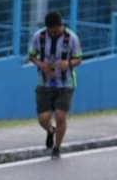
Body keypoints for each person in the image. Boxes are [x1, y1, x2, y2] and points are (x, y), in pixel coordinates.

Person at [27, 11, 83, 159]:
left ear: (61, 25)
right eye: (51, 31)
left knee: (60, 115)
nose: (54, 33)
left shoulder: (72, 38)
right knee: (43, 118)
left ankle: (56, 148)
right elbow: (31, 56)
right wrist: (41, 64)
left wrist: (68, 63)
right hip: (44, 82)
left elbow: (79, 59)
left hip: (66, 83)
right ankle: (51, 131)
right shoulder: (39, 37)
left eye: (57, 30)